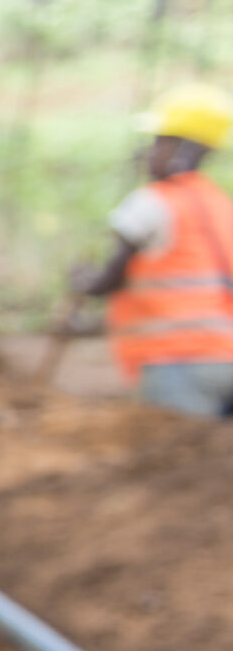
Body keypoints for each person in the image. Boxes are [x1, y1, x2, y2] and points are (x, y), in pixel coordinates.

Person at [69, 84, 233, 417]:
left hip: (177, 360)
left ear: (186, 148)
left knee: (182, 458)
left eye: (160, 141)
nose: (149, 151)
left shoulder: (152, 201)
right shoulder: (220, 205)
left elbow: (111, 277)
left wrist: (84, 282)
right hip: (226, 354)